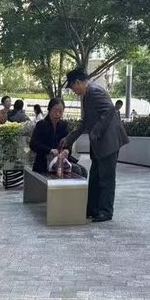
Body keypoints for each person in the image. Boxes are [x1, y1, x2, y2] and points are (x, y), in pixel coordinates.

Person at [61, 68, 129, 222]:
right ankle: (92, 209)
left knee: (106, 178)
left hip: (108, 142)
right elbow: (85, 122)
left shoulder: (95, 91)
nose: (74, 92)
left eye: (73, 88)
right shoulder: (87, 95)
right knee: (95, 177)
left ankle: (105, 211)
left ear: (78, 83)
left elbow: (109, 111)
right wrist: (69, 138)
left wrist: (95, 132)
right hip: (99, 143)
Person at [30, 97, 70, 174]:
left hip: (60, 161)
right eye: (55, 110)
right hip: (43, 163)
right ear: (49, 110)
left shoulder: (64, 125)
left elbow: (68, 143)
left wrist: (67, 150)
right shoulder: (41, 125)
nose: (58, 114)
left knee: (81, 170)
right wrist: (50, 150)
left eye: (60, 111)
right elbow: (33, 144)